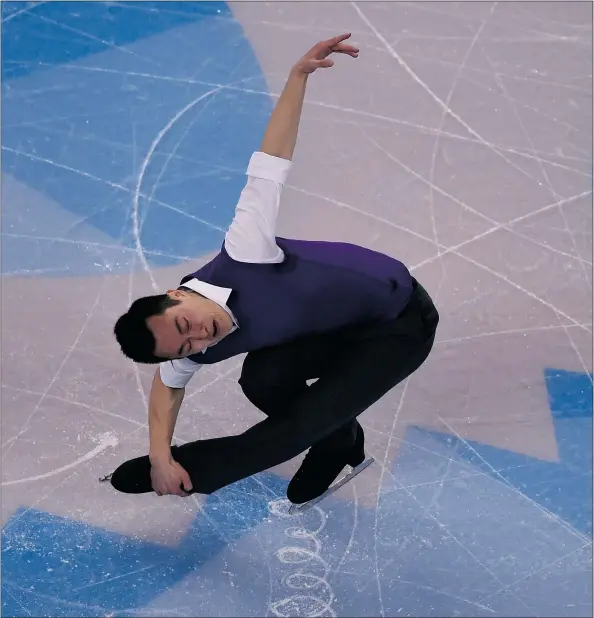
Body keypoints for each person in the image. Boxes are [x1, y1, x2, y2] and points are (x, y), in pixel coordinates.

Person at [109, 34, 439, 507]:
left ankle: (205, 471)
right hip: (333, 329)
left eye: (186, 326)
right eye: (187, 346)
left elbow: (270, 162)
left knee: (291, 430)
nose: (201, 338)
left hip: (399, 323)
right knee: (261, 380)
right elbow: (167, 384)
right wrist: (159, 453)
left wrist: (297, 77)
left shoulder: (245, 252)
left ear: (177, 294)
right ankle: (340, 440)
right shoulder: (191, 345)